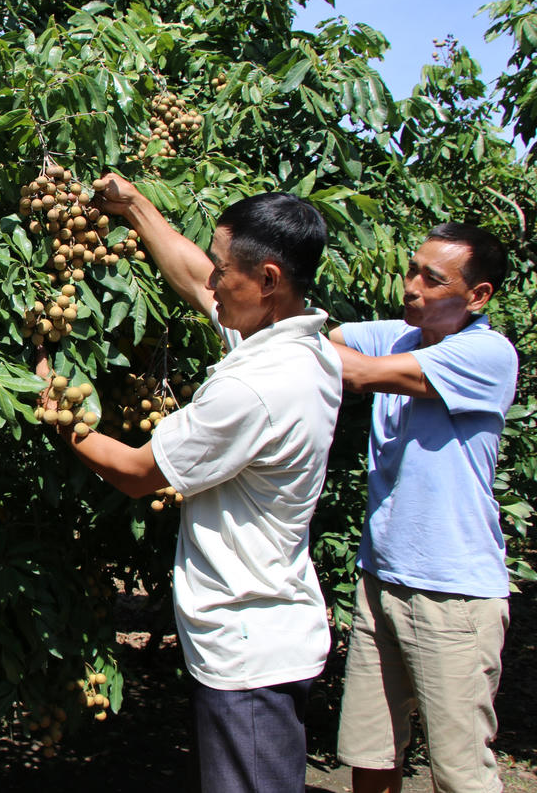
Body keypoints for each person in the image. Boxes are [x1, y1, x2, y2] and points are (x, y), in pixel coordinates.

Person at [41, 175, 343, 792]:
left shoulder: (254, 387)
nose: (210, 281)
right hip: (263, 629)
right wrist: (134, 207)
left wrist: (49, 402)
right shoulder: (299, 345)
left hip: (248, 647)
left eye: (223, 268)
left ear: (266, 281)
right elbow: (189, 273)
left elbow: (135, 472)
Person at [330, 222, 517, 793]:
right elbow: (325, 337)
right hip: (379, 575)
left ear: (478, 296)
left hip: (452, 591)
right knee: (370, 753)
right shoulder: (401, 335)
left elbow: (355, 370)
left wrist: (306, 345)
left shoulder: (486, 353)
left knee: (460, 772)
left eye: (431, 280)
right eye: (412, 270)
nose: (410, 286)